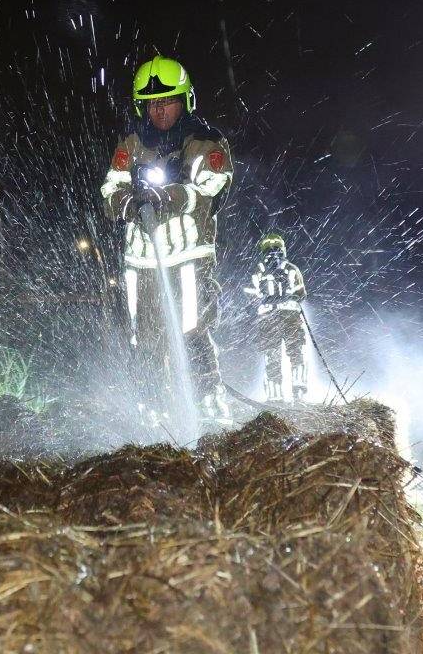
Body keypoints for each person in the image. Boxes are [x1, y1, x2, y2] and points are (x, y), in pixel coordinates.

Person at [100, 54, 234, 432]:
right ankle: (151, 412)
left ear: (185, 100)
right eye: (153, 103)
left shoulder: (206, 142)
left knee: (191, 328)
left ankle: (209, 408)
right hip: (140, 259)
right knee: (142, 336)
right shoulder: (131, 142)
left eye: (168, 100)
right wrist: (125, 203)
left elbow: (211, 190)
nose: (160, 111)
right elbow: (110, 188)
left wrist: (169, 197)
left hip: (188, 256)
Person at [245, 233, 307, 402]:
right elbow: (301, 293)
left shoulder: (258, 270)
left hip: (269, 318)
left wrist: (264, 301)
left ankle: (277, 396)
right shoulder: (292, 268)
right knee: (295, 353)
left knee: (274, 356)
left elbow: (250, 295)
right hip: (289, 316)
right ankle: (297, 391)